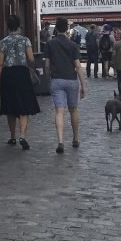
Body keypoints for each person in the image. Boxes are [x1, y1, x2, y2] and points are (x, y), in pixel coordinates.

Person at [44, 18, 86, 154]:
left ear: (56, 29)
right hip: (71, 80)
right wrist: (83, 84)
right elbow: (78, 66)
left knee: (59, 111)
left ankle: (61, 141)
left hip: (57, 80)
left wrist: (48, 78)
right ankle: (75, 138)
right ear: (67, 29)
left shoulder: (50, 44)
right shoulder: (73, 45)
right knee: (73, 110)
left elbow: (47, 65)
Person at [0, 15, 40, 150]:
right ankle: (22, 135)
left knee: (10, 107)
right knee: (24, 106)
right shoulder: (25, 40)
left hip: (8, 74)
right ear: (19, 26)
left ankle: (12, 136)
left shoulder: (3, 42)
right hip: (22, 73)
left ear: (8, 27)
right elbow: (31, 58)